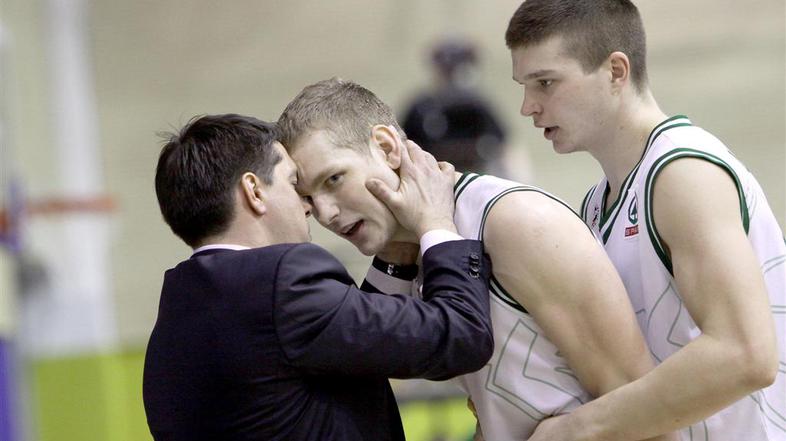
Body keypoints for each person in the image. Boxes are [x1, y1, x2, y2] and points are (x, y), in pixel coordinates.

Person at [278, 78, 673, 441]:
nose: (326, 213)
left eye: (334, 179)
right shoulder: (412, 248)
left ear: (386, 147)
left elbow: (639, 404)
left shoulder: (516, 220)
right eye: (308, 198)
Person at [505, 1, 786, 440]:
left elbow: (745, 356)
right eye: (524, 86)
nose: (528, 107)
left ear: (616, 71)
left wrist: (574, 430)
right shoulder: (596, 204)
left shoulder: (683, 173)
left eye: (545, 83)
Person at [142, 113, 495, 441]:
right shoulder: (283, 281)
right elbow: (462, 335)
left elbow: (358, 342)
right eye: (294, 184)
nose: (311, 207)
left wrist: (394, 254)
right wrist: (436, 223)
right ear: (254, 191)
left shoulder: (175, 316)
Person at [400, 37, 512, 177]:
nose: (451, 77)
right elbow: (402, 147)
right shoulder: (420, 110)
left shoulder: (479, 107)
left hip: (474, 179)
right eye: (446, 70)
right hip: (430, 179)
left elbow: (504, 150)